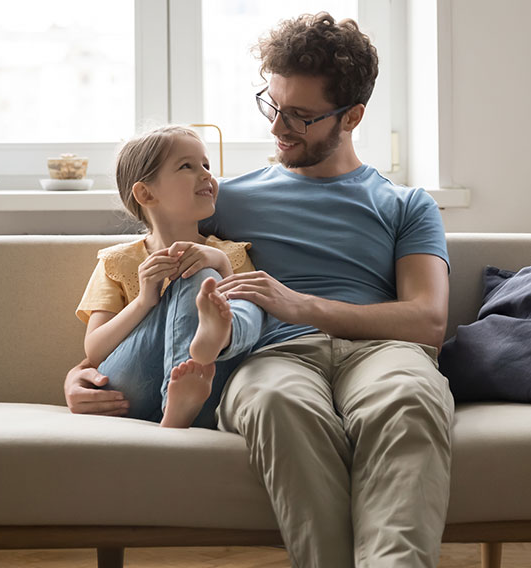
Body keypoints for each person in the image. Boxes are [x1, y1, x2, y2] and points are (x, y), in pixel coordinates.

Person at [65, 13, 454, 567]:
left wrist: (299, 305)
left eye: (301, 115)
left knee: (409, 399)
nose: (278, 127)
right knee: (274, 402)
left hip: (383, 351)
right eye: (273, 105)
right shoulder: (227, 198)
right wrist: (83, 370)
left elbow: (426, 321)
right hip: (273, 353)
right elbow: (157, 250)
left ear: (353, 116)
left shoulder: (407, 205)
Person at [76, 125, 269, 429]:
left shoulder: (229, 254)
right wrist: (144, 301)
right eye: (187, 166)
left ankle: (185, 396)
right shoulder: (117, 261)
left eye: (206, 165)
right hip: (133, 387)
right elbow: (96, 352)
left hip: (207, 387)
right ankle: (178, 399)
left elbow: (256, 332)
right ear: (145, 192)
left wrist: (222, 267)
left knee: (245, 297)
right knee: (198, 273)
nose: (206, 174)